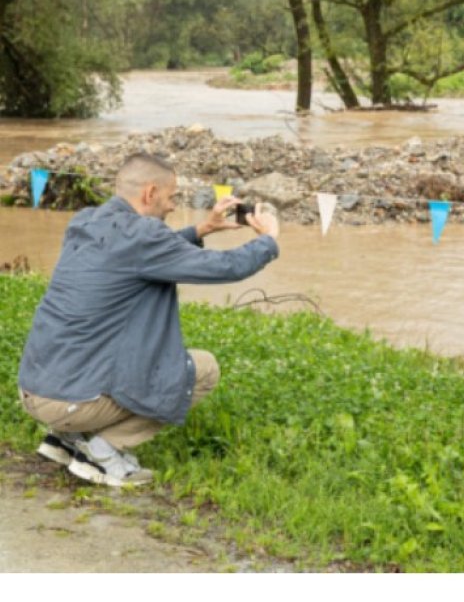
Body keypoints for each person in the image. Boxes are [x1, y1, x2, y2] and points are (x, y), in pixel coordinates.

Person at [17, 152, 280, 487]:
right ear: (150, 193)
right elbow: (227, 267)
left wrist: (203, 228)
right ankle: (102, 451)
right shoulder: (143, 237)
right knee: (202, 369)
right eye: (171, 198)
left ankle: (66, 439)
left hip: (37, 388)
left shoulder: (85, 221)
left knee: (113, 347)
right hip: (70, 401)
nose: (172, 207)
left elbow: (141, 255)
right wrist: (268, 240)